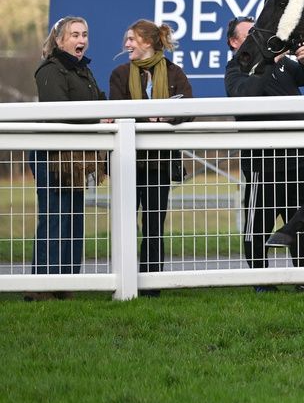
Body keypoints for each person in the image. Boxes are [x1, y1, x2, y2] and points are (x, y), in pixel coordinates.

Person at [225, 16, 304, 288]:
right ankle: (261, 280)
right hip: (262, 163)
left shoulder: (282, 64)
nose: (256, 37)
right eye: (248, 34)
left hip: (296, 158)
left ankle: (303, 277)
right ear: (234, 42)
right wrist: (270, 62)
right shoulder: (236, 69)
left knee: (302, 221)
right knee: (259, 224)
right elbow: (247, 96)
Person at [108, 20, 193, 288]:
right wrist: (150, 116)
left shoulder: (174, 72)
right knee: (125, 223)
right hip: (128, 162)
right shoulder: (120, 74)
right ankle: (123, 281)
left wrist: (167, 115)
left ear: (146, 42)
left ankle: (151, 283)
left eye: (131, 39)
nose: (127, 44)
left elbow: (188, 108)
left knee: (154, 225)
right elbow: (119, 109)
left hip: (160, 162)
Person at [28, 16, 105, 299]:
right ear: (60, 40)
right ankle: (42, 287)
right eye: (74, 35)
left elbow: (98, 100)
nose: (81, 40)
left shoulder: (83, 70)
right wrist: (99, 116)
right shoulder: (50, 69)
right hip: (51, 154)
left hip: (74, 156)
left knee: (73, 219)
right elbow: (59, 111)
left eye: (84, 34)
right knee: (54, 218)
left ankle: (66, 285)